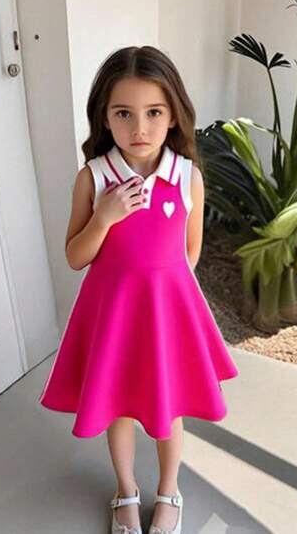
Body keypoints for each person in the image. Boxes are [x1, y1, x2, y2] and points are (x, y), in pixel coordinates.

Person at [39, 45, 239, 534]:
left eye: (154, 112)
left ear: (173, 115)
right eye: (123, 113)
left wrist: (163, 294)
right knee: (119, 409)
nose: (139, 128)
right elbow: (75, 256)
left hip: (165, 316)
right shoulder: (94, 178)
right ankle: (125, 489)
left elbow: (189, 252)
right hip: (115, 318)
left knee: (169, 407)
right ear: (105, 117)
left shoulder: (187, 176)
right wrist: (104, 218)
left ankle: (169, 490)